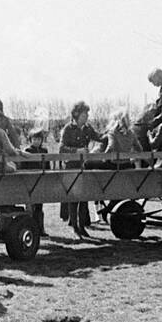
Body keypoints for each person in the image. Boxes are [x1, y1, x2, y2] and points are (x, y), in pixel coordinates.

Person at [59, 102, 99, 238]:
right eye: (84, 114)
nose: (87, 116)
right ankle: (75, 227)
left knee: (84, 197)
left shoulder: (88, 129)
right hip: (71, 166)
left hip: (84, 166)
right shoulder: (68, 129)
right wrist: (77, 151)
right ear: (76, 115)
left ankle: (82, 226)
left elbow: (99, 137)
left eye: (87, 114)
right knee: (74, 197)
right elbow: (61, 148)